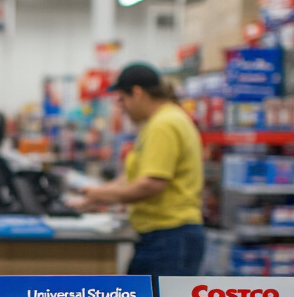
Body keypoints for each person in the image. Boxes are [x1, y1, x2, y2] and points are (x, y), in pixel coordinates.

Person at [77, 62, 204, 276]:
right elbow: (133, 177)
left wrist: (99, 193)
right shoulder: (158, 122)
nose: (121, 107)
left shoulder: (163, 124)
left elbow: (150, 184)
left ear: (137, 92)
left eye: (122, 99)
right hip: (163, 237)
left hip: (170, 238)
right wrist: (96, 197)